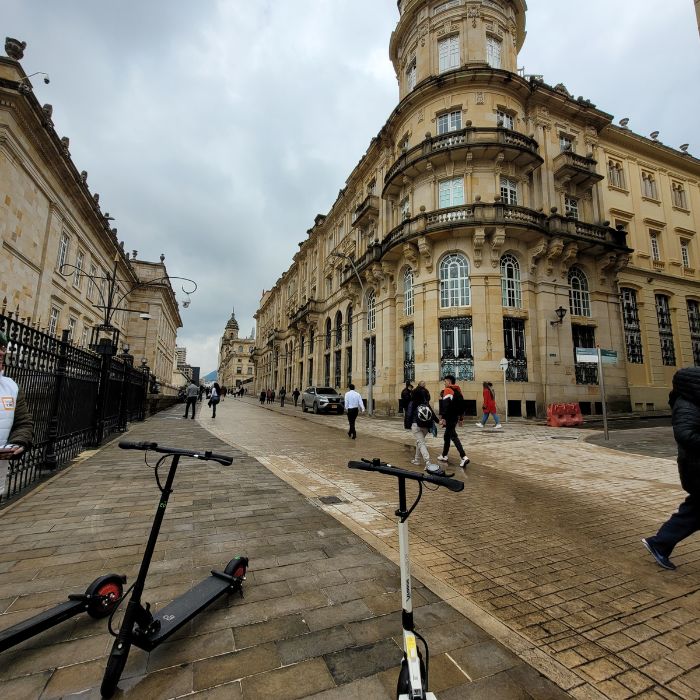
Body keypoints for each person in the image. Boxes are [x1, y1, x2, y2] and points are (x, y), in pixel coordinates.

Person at [643, 367, 700, 570]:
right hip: (695, 468)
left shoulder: (693, 402)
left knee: (694, 511)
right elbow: (685, 434)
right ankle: (660, 543)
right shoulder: (686, 405)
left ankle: (660, 543)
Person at [0, 331, 34, 499]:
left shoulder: (11, 387)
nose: (1, 352)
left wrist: (18, 442)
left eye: (2, 347)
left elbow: (23, 423)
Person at [404, 381, 442, 475]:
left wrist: (407, 425)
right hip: (426, 425)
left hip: (416, 425)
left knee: (421, 443)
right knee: (420, 442)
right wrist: (438, 421)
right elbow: (432, 413)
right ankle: (417, 460)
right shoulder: (426, 403)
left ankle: (428, 462)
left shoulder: (412, 403)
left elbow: (408, 414)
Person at [438, 374, 470, 470]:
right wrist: (461, 418)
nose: (444, 383)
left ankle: (464, 457)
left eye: (445, 381)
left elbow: (445, 405)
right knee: (447, 436)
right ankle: (444, 455)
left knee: (453, 436)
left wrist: (443, 418)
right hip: (455, 417)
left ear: (448, 381)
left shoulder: (448, 390)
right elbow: (462, 406)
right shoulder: (458, 391)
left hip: (449, 417)